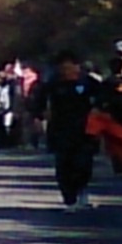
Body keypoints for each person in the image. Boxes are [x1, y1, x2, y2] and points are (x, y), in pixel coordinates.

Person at [41, 54, 103, 207]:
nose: (66, 71)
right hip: (60, 129)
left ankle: (82, 190)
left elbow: (103, 99)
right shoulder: (53, 84)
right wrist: (40, 116)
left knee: (83, 163)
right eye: (63, 68)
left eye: (69, 67)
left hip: (84, 131)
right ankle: (69, 198)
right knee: (63, 165)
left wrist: (97, 111)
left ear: (77, 67)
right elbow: (40, 101)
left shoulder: (89, 83)